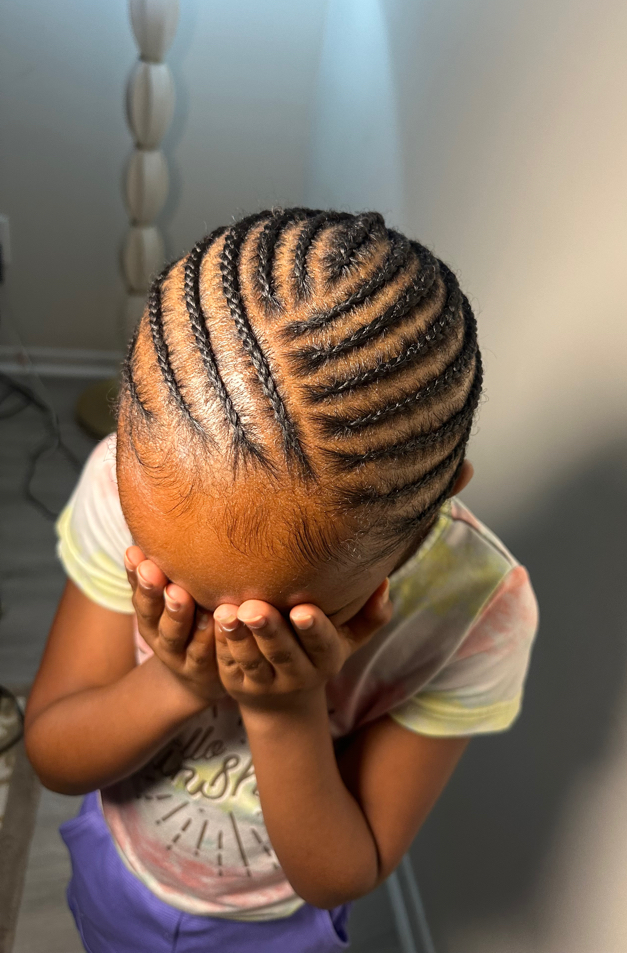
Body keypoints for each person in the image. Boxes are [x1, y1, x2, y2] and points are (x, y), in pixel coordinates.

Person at [24, 208, 539, 953]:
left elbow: (341, 871)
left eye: (274, 612)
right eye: (176, 582)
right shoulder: (119, 481)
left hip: (279, 933)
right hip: (117, 872)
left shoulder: (471, 614)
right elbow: (55, 755)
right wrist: (178, 683)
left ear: (424, 522)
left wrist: (284, 709)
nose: (219, 630)